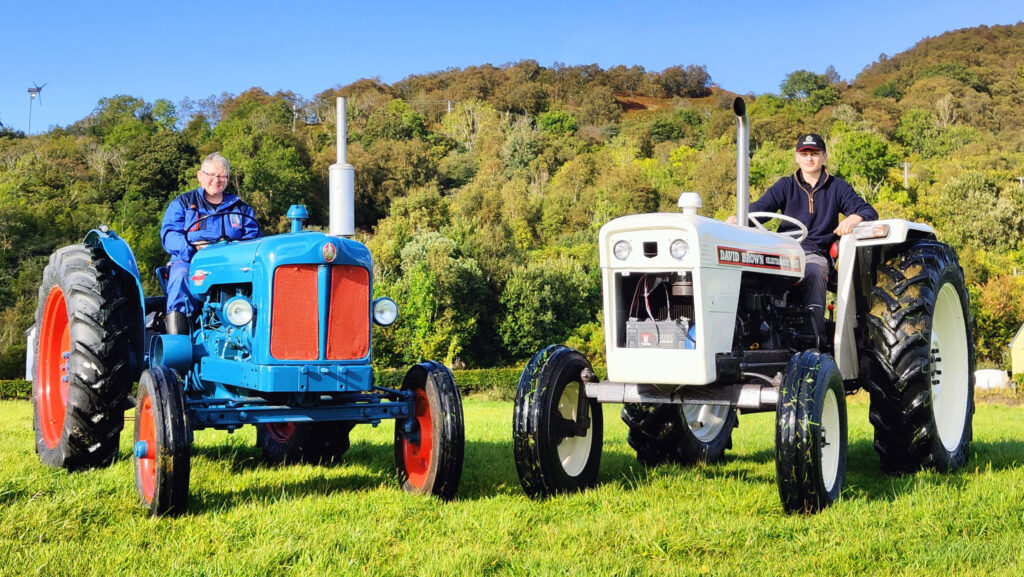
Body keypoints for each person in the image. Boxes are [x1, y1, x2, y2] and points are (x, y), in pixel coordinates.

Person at [729, 133, 878, 344]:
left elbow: (868, 210)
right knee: (745, 269)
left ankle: (813, 338)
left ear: (824, 156)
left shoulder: (837, 188)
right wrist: (738, 218)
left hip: (814, 253)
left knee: (814, 271)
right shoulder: (785, 186)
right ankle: (746, 333)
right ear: (797, 157)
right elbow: (759, 209)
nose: (809, 158)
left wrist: (855, 217)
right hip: (783, 251)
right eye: (805, 154)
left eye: (814, 154)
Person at [160, 152, 261, 333]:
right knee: (181, 274)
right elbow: (169, 235)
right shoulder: (183, 203)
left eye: (222, 175)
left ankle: (251, 330)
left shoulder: (241, 208)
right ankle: (179, 339)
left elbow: (254, 237)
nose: (216, 180)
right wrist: (192, 248)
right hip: (191, 262)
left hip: (232, 265)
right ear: (200, 176)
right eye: (211, 175)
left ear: (227, 179)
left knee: (260, 278)